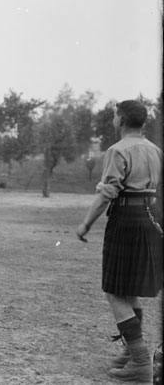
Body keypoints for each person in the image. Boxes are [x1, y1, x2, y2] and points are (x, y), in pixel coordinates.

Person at [76, 100, 163, 383]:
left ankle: (140, 360)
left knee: (115, 290)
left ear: (121, 119)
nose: (114, 119)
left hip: (125, 220)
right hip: (149, 220)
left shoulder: (117, 150)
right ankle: (131, 354)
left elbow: (106, 194)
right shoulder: (155, 150)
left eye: (115, 115)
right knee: (129, 289)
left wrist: (85, 224)